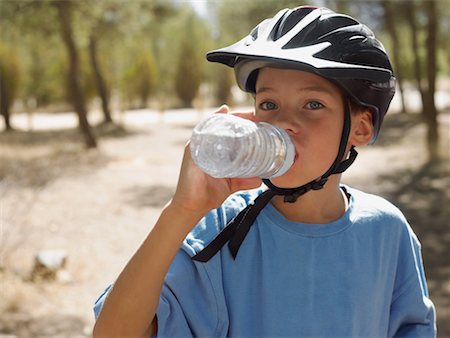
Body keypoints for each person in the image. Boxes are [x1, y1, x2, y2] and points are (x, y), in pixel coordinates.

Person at [92, 6, 436, 337]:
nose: (284, 122)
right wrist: (181, 212)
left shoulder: (387, 231)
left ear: (360, 129)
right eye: (268, 104)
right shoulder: (219, 229)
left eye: (313, 105)